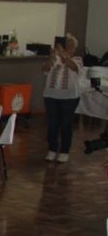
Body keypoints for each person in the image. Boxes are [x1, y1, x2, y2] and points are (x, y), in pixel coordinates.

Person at [42, 33, 82, 163]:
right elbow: (44, 69)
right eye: (66, 44)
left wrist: (64, 55)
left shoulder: (77, 60)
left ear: (74, 48)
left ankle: (65, 151)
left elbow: (74, 67)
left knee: (66, 124)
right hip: (51, 96)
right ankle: (52, 149)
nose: (67, 47)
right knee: (52, 124)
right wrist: (52, 56)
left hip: (69, 98)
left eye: (70, 46)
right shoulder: (55, 59)